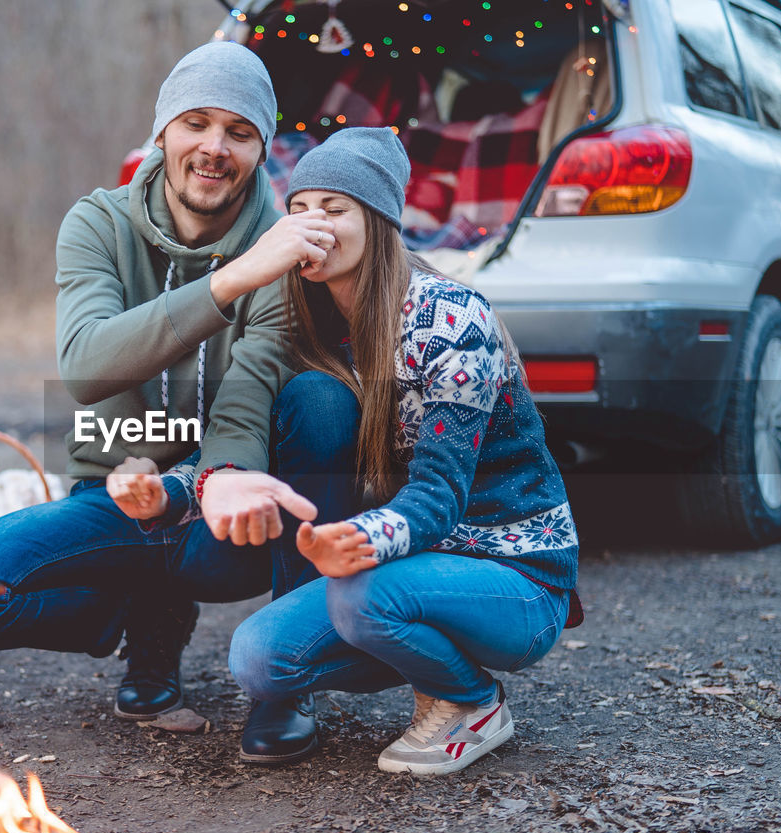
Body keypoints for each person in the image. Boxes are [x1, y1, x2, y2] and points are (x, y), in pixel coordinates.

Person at [0, 42, 352, 763]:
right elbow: (87, 366)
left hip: (217, 515)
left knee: (321, 400)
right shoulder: (97, 224)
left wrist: (185, 490)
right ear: (162, 133)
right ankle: (123, 609)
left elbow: (245, 410)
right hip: (115, 495)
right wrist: (231, 281)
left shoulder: (281, 258)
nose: (215, 147)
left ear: (260, 150)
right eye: (196, 123)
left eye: (239, 132)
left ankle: (286, 680)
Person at [213, 126, 582, 775]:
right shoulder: (312, 322)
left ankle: (472, 701)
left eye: (334, 208)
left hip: (517, 575)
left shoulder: (449, 318)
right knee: (258, 658)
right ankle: (425, 657)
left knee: (359, 597)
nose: (311, 222)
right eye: (298, 208)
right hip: (411, 567)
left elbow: (438, 498)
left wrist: (355, 537)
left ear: (378, 221)